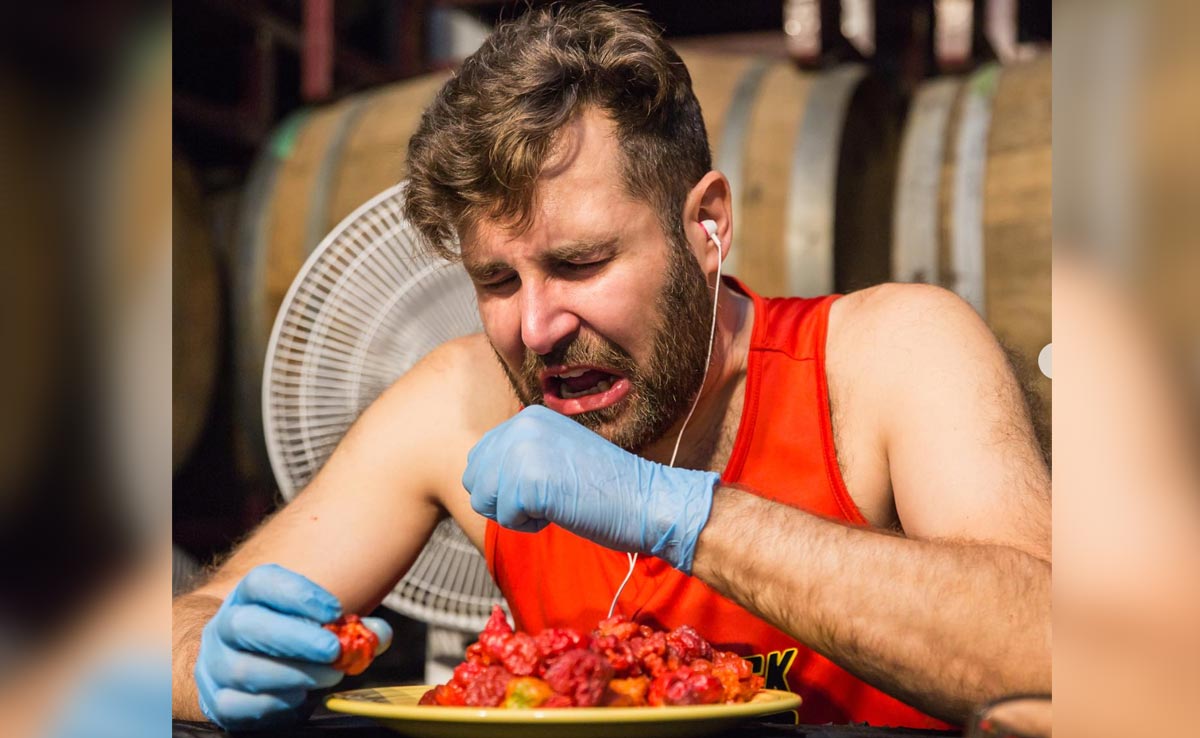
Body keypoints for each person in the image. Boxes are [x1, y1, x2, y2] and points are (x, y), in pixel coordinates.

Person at [171, 2, 1050, 730]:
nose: (538, 326)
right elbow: (163, 632)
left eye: (582, 263)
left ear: (706, 225)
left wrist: (673, 514)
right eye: (495, 280)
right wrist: (209, 657)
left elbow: (1059, 647)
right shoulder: (459, 404)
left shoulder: (887, 357)